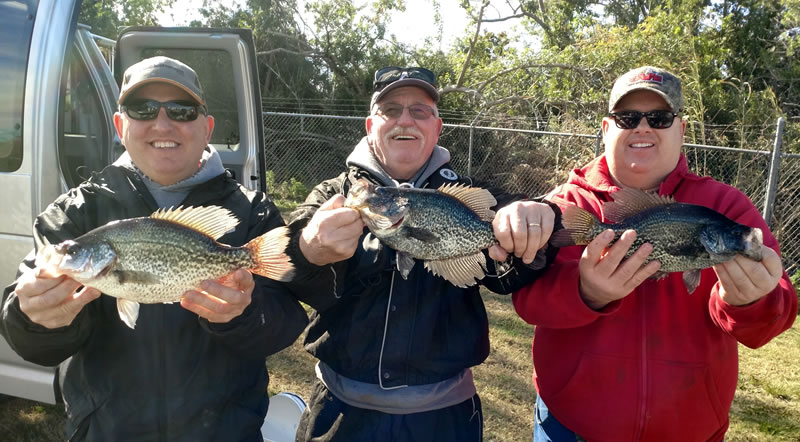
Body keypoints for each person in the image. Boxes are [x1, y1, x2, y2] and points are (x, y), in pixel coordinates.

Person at [0, 56, 308, 441]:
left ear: (207, 127)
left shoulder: (253, 212)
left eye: (182, 110)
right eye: (142, 109)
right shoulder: (74, 214)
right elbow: (29, 341)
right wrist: (35, 319)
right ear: (120, 125)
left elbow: (285, 325)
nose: (162, 124)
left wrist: (243, 315)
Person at [512, 66, 798, 441]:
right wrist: (585, 293)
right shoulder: (564, 206)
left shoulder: (725, 207)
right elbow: (527, 301)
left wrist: (753, 302)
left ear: (681, 130)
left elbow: (773, 318)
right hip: (570, 427)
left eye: (659, 118)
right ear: (606, 129)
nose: (643, 128)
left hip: (688, 430)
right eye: (628, 118)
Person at [283, 66, 557, 441]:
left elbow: (513, 268)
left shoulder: (471, 195)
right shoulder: (333, 195)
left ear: (437, 128)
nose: (405, 120)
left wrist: (534, 221)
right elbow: (286, 261)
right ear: (370, 125)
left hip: (442, 417)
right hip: (338, 411)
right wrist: (306, 249)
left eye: (419, 111)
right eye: (391, 109)